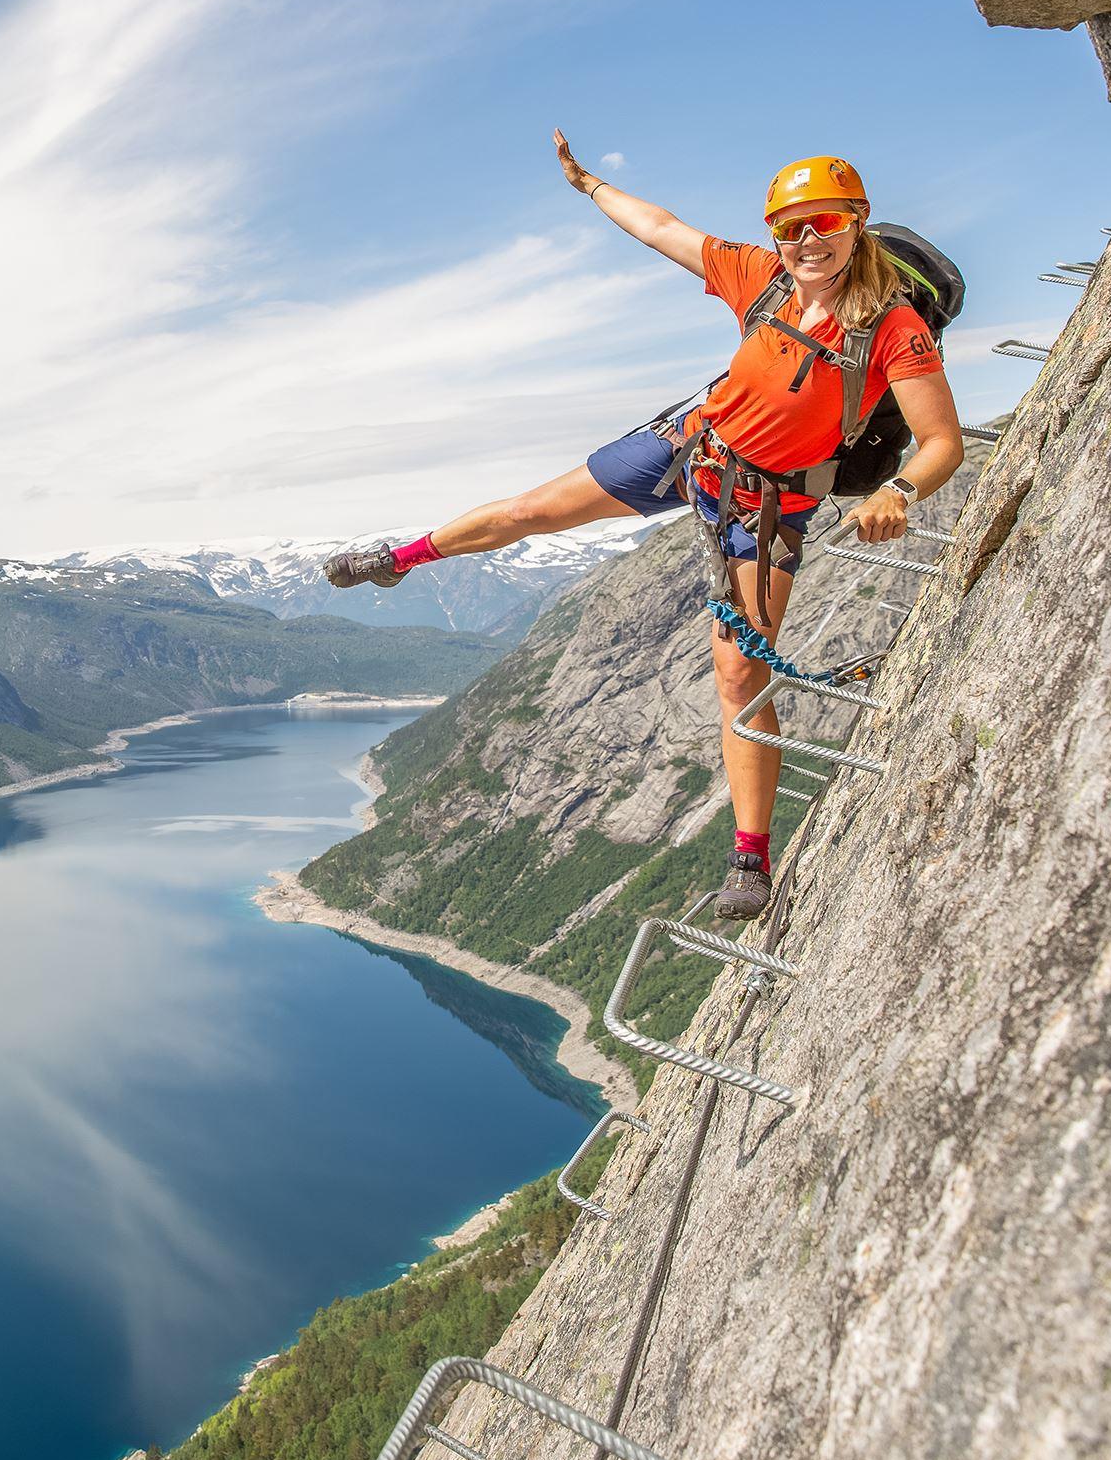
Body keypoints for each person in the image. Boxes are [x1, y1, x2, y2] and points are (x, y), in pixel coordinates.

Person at [325, 131, 965, 920]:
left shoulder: (893, 327)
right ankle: (401, 557)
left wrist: (898, 490)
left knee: (738, 675)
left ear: (857, 222)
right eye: (790, 226)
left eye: (824, 223)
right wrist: (589, 185)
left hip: (770, 505)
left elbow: (942, 442)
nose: (806, 241)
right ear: (775, 232)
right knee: (533, 511)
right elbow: (663, 229)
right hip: (690, 449)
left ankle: (751, 858)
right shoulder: (760, 279)